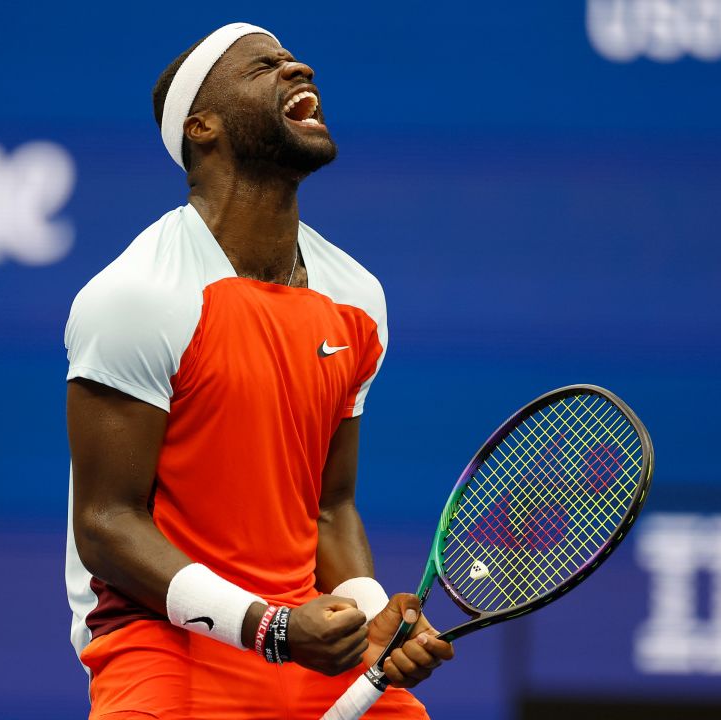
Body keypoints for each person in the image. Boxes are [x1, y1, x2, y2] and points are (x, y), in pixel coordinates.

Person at [63, 22, 453, 719]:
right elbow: (105, 524)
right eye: (263, 66)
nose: (297, 66)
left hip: (303, 637)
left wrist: (368, 616)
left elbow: (328, 508)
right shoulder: (137, 296)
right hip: (164, 642)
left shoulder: (356, 299)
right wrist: (267, 628)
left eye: (293, 58)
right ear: (202, 126)